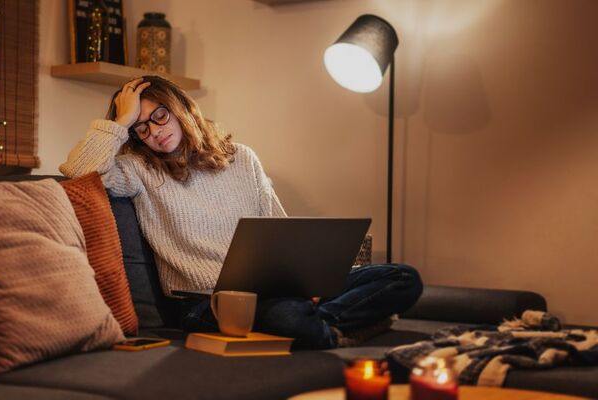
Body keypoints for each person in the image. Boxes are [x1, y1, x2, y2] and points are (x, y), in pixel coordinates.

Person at [60, 75, 423, 349]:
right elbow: (78, 170)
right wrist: (118, 124)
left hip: (274, 288)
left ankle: (324, 326)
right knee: (289, 317)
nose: (155, 132)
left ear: (181, 108)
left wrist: (305, 282)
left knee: (403, 278)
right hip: (205, 302)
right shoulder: (138, 170)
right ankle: (339, 329)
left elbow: (279, 228)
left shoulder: (241, 158)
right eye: (142, 128)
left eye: (160, 116)